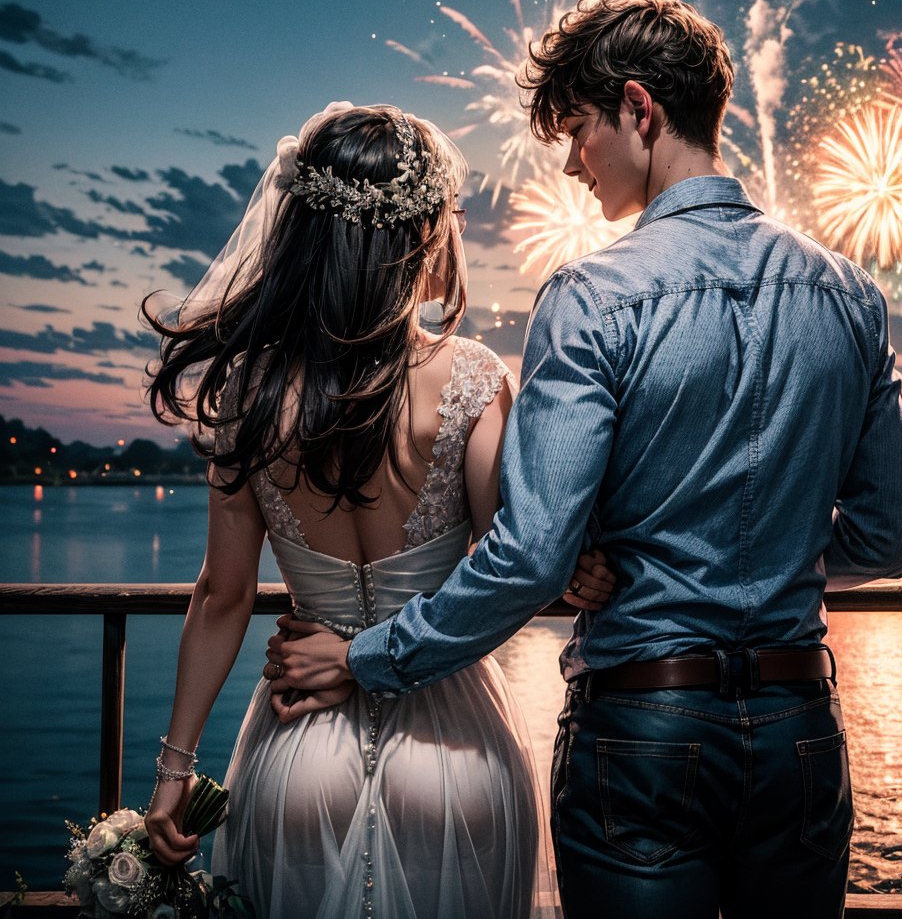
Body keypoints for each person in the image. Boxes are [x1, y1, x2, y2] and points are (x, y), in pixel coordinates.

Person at [269, 0, 902, 919]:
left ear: (638, 109)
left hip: (642, 733)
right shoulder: (852, 296)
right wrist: (770, 560)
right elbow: (890, 541)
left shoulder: (591, 296)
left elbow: (531, 557)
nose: (574, 162)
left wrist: (369, 656)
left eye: (578, 129)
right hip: (799, 730)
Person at [142, 101, 605, 918]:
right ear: (419, 232)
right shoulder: (468, 378)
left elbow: (222, 595)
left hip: (298, 746)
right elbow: (520, 564)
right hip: (454, 741)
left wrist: (174, 771)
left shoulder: (250, 390)